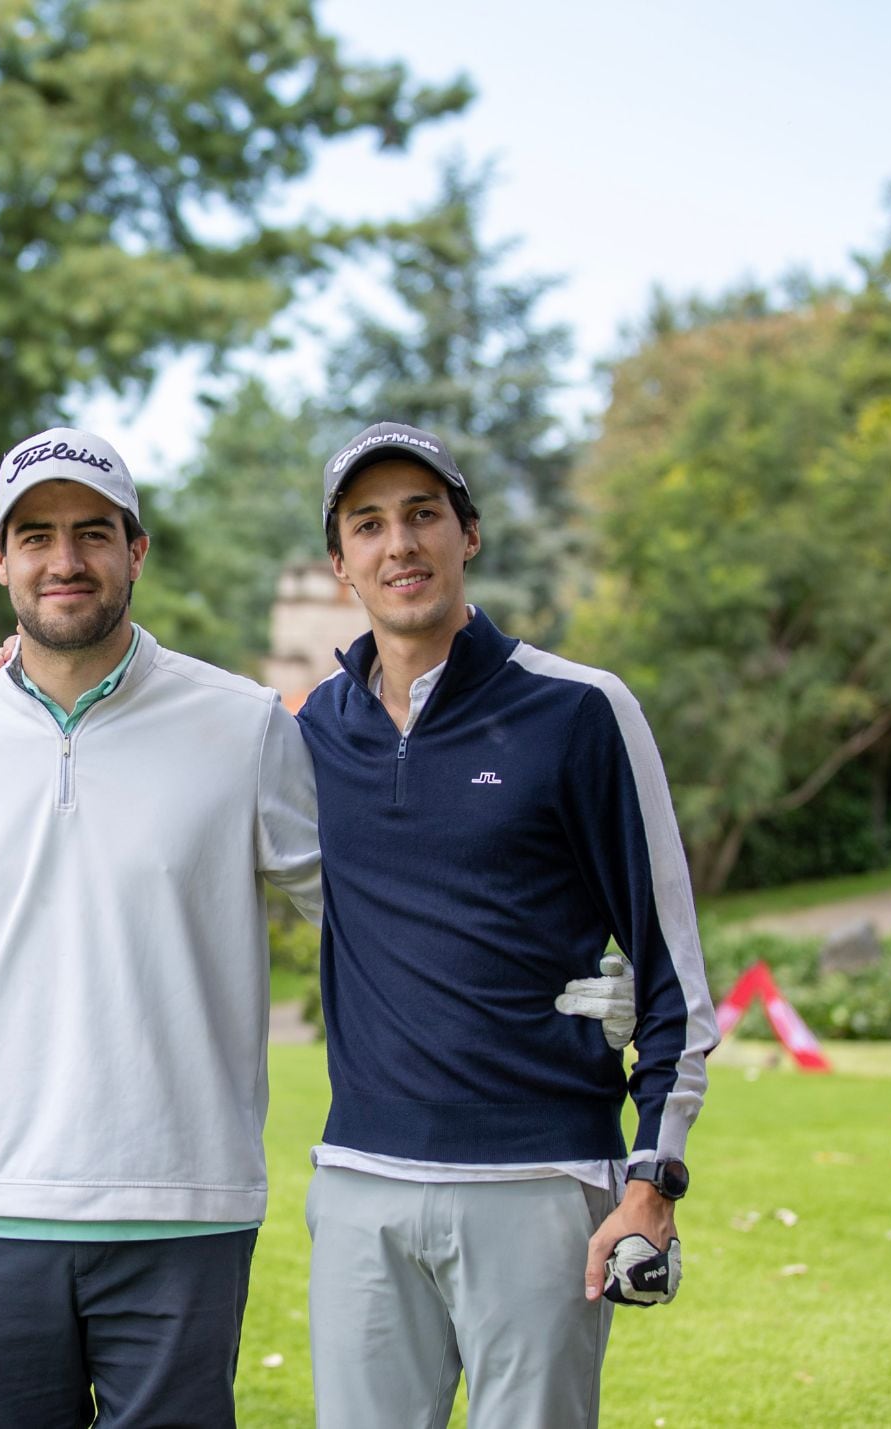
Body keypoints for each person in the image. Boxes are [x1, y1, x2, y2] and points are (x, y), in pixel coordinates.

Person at [0, 428, 324, 1427]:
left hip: (183, 1204)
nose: (63, 560)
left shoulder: (242, 726)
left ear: (135, 549)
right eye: (34, 535)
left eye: (91, 533)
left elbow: (360, 917)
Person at [297, 421, 720, 1428]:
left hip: (539, 1183)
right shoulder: (310, 727)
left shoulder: (577, 710)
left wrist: (652, 1180)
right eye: (368, 524)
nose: (397, 544)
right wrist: (13, 676)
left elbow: (669, 968)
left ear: (466, 533)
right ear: (339, 561)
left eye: (420, 515)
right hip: (360, 1184)